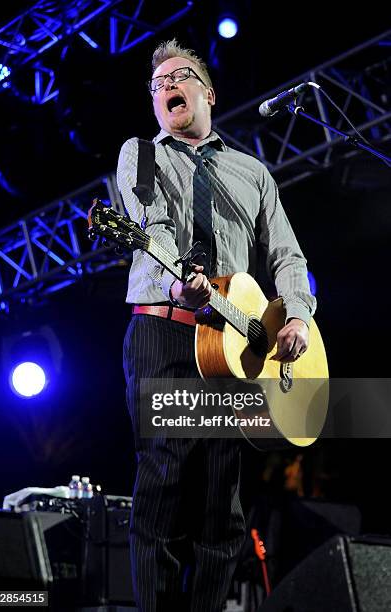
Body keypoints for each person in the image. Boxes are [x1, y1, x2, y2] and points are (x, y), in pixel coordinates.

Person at [117, 39, 316, 612]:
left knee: (220, 500)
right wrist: (176, 281)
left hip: (230, 344)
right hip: (165, 330)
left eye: (178, 76)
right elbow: (149, 227)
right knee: (163, 479)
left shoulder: (252, 171)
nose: (165, 87)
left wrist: (297, 313)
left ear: (207, 92)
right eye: (156, 85)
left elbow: (287, 256)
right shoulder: (142, 154)